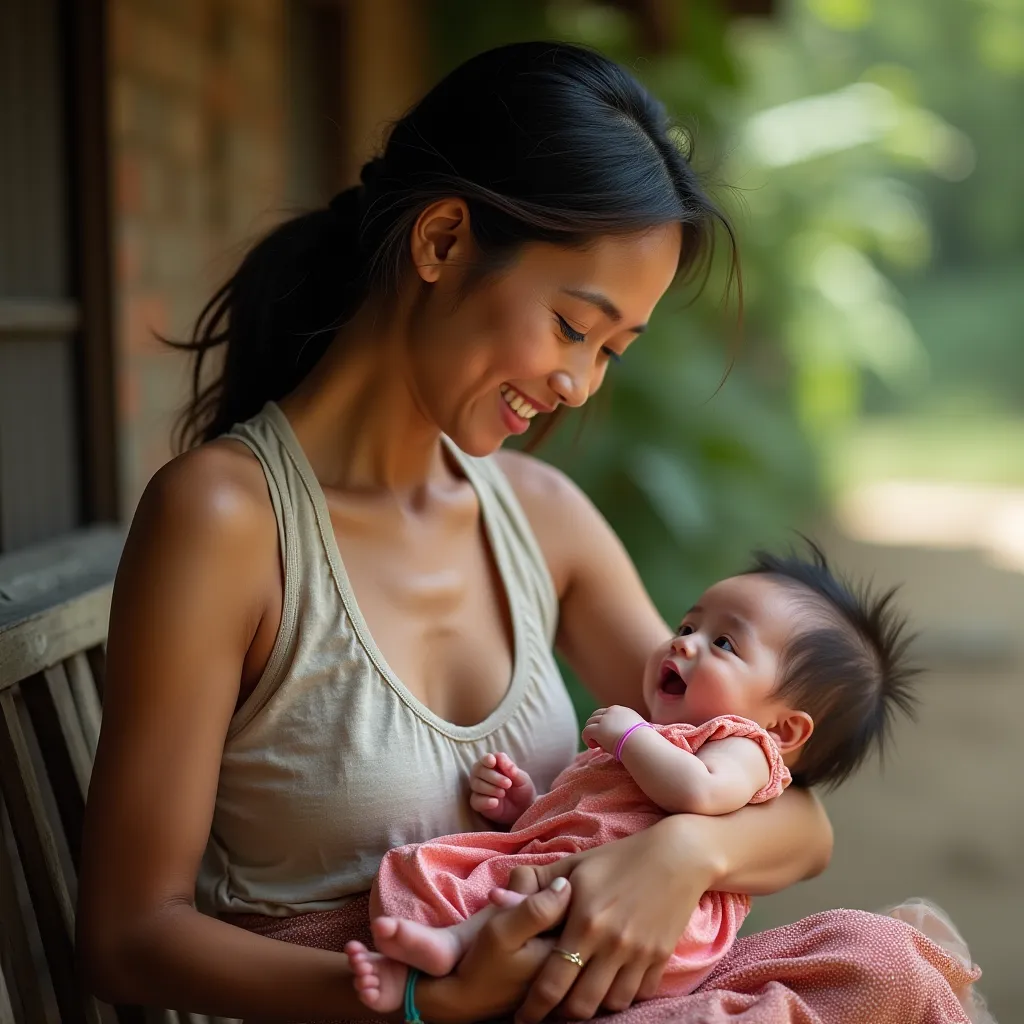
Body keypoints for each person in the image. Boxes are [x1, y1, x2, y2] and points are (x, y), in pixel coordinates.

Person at [77, 41, 979, 1024]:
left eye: (611, 352)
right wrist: (432, 997)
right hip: (377, 999)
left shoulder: (540, 517)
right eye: (570, 325)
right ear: (442, 241)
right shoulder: (227, 522)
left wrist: (684, 851)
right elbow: (129, 935)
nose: (579, 383)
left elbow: (790, 811)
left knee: (880, 960)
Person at [344, 547, 922, 1012]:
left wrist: (628, 737)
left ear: (786, 728)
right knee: (455, 876)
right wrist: (523, 806)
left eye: (723, 643)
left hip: (647, 914)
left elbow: (699, 792)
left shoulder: (743, 745)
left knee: (530, 907)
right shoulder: (664, 735)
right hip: (581, 878)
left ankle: (446, 951)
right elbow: (590, 810)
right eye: (688, 624)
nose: (683, 641)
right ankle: (431, 972)